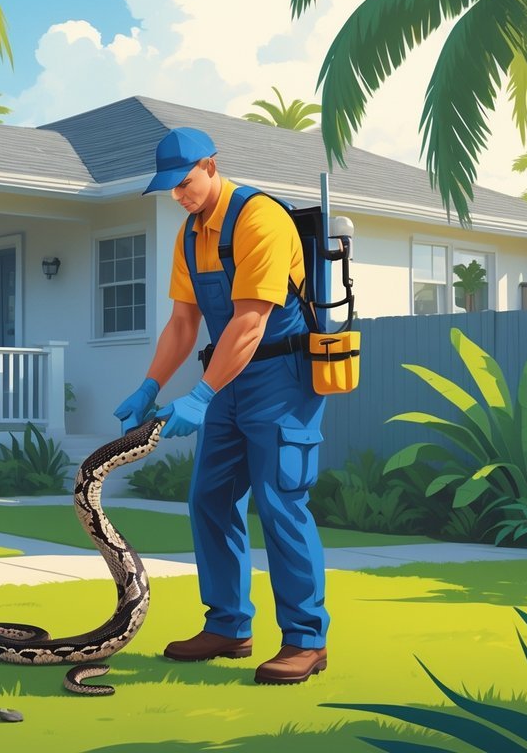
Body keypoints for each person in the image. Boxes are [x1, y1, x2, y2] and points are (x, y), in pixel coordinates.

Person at [114, 126, 329, 685]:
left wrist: (201, 395)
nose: (178, 195)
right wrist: (150, 386)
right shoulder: (190, 235)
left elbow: (251, 320)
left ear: (210, 166)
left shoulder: (261, 218)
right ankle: (229, 626)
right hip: (227, 377)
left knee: (281, 503)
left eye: (184, 183)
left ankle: (306, 640)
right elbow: (184, 323)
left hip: (281, 377)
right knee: (209, 498)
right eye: (170, 188)